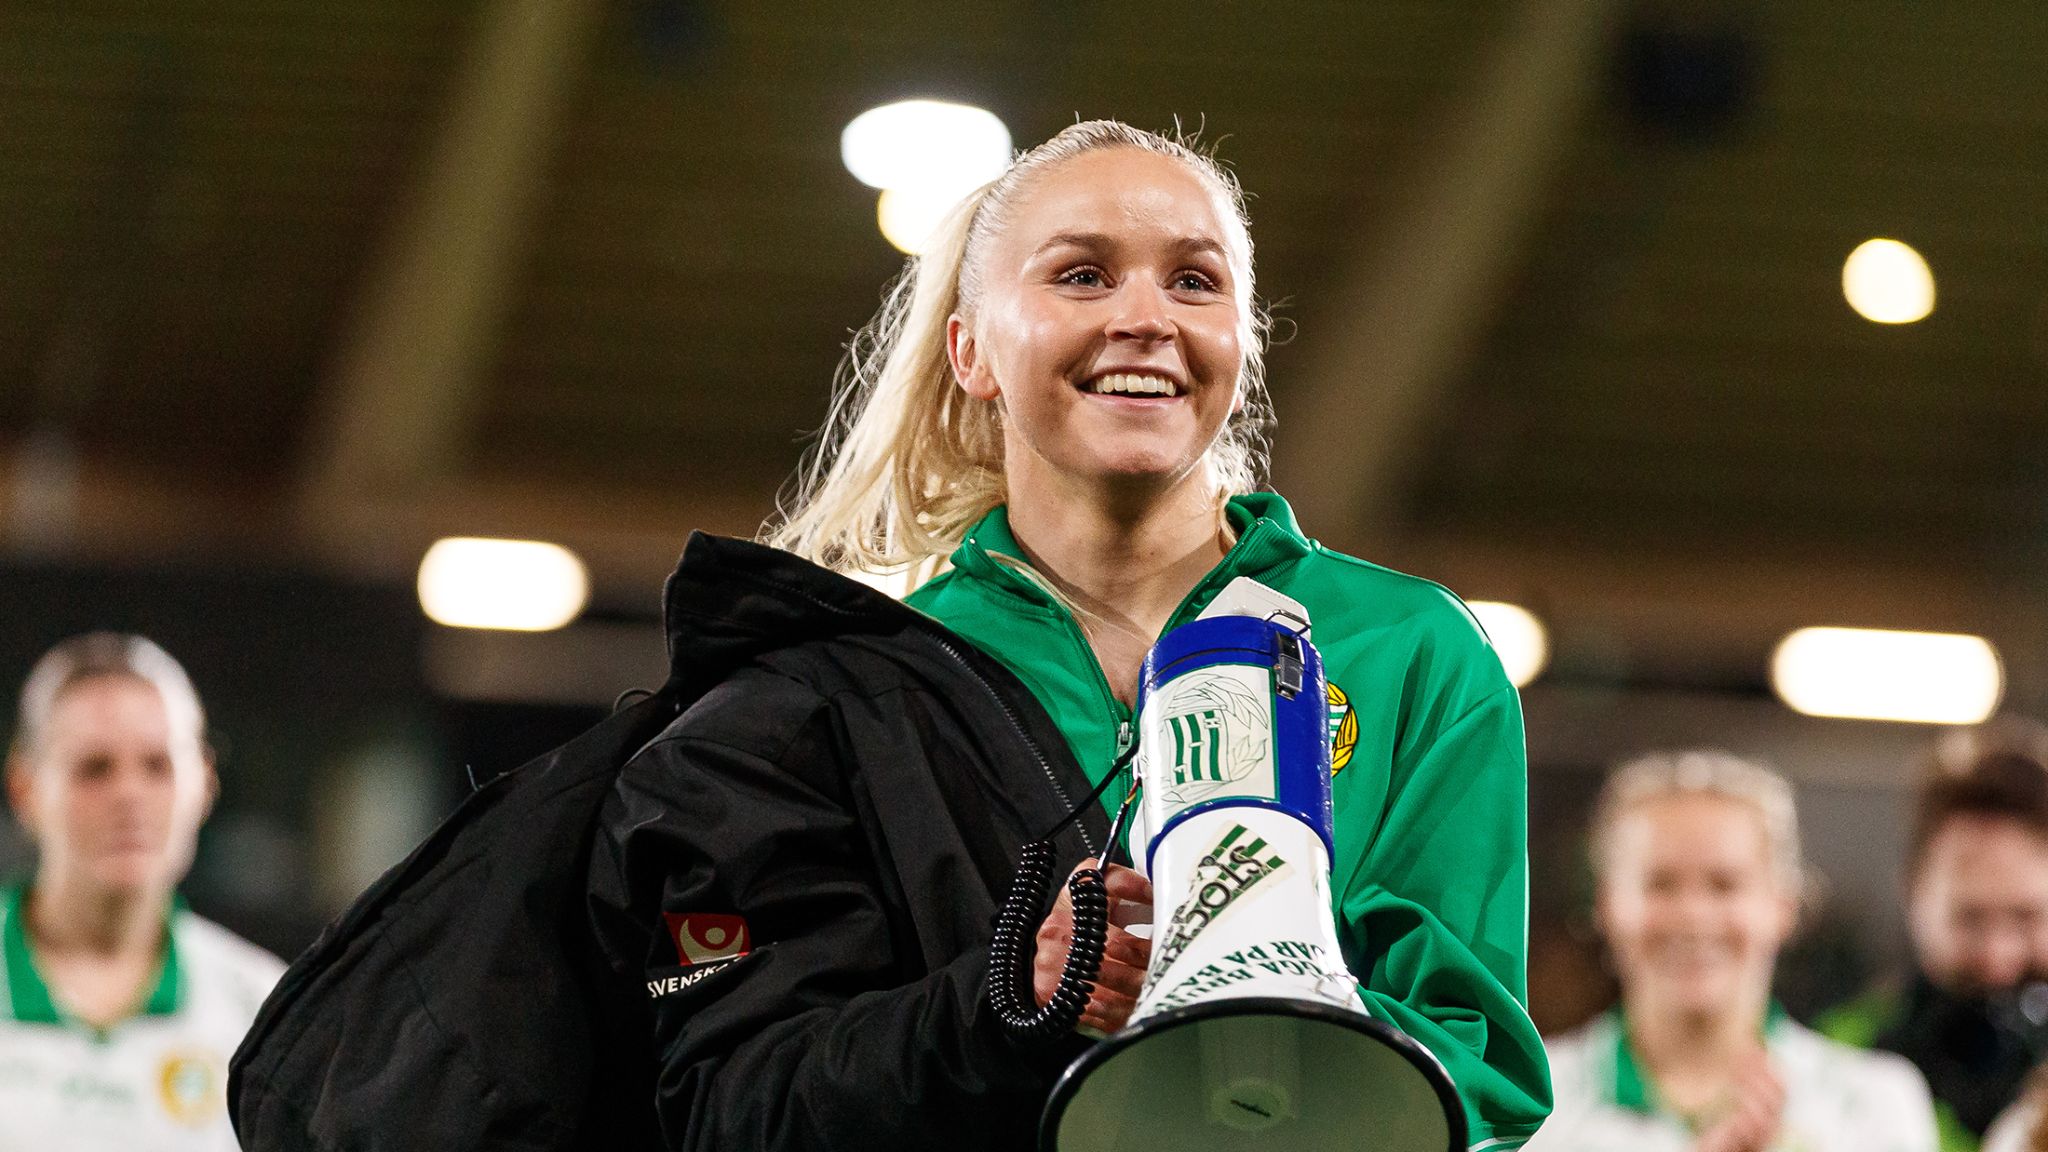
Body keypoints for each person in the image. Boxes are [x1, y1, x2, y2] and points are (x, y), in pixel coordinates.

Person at [583, 119, 1549, 1151]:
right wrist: (1011, 998)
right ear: (972, 351)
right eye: (1083, 276)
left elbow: (1479, 1068)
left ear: (1242, 342)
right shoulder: (854, 692)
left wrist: (1260, 1020)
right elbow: (740, 1107)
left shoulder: (1409, 647)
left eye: (1193, 282)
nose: (1145, 317)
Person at [1530, 750, 1937, 1152]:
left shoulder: (1874, 1107)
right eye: (1660, 884)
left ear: (1783, 904)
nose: (1693, 915)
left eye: (1724, 884)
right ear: (1606, 906)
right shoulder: (1528, 1103)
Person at [2, 633, 284, 1150]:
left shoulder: (263, 1010)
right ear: (25, 787)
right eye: (94, 768)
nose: (129, 796)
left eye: (158, 766)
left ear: (205, 783)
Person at [1819, 722, 2048, 1152]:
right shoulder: (1833, 1062)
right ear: (1912, 896)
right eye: (1970, 919)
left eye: (2026, 918)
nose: (1998, 958)